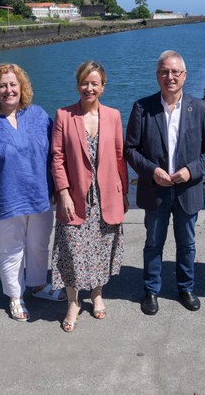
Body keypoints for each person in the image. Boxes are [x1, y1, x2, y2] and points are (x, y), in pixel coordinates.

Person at [0, 63, 63, 323]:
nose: (8, 90)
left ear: (21, 87)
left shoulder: (38, 115)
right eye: (2, 86)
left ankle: (38, 285)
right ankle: (15, 296)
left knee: (38, 245)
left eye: (13, 85)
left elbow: (56, 153)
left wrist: (57, 188)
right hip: (2, 199)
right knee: (10, 250)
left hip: (39, 196)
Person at [125, 50, 205, 315]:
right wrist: (152, 170)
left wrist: (191, 171)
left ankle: (186, 288)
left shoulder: (200, 108)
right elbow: (130, 150)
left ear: (184, 75)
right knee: (153, 242)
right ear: (157, 75)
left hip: (187, 190)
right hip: (155, 189)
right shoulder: (142, 107)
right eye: (164, 72)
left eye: (175, 72)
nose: (170, 77)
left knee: (187, 243)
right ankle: (151, 290)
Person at [51, 61, 128, 332]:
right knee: (71, 250)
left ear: (103, 87)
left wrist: (124, 193)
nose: (89, 88)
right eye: (85, 82)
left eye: (95, 83)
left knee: (101, 249)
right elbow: (57, 158)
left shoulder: (114, 116)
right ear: (78, 85)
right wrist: (63, 193)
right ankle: (73, 302)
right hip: (75, 198)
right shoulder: (64, 116)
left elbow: (120, 157)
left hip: (106, 197)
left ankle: (97, 295)